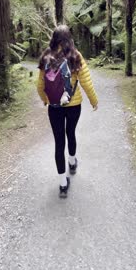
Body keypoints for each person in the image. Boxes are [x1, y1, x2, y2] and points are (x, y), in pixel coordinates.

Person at [37, 25, 98, 198]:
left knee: (59, 142)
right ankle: (72, 162)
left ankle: (63, 184)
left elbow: (40, 85)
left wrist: (45, 99)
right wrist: (94, 101)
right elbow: (86, 82)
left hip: (54, 107)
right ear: (69, 38)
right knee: (70, 133)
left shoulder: (46, 57)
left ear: (53, 39)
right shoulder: (75, 56)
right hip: (73, 105)